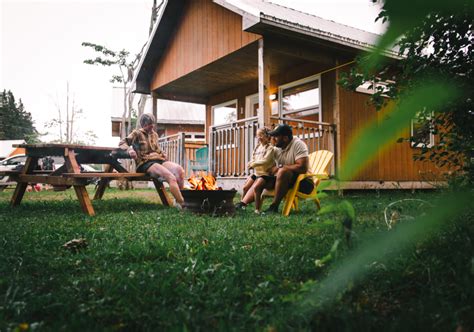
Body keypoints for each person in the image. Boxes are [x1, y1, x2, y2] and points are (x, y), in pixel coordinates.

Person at [237, 124, 313, 214]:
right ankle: (242, 204)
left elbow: (302, 168)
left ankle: (274, 207)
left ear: (285, 138)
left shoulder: (298, 144)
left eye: (276, 136)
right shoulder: (276, 148)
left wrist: (280, 167)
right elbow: (266, 162)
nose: (272, 138)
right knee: (262, 178)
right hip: (284, 181)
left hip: (303, 183)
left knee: (282, 171)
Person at [118, 113, 185, 208]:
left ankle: (178, 200)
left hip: (159, 160)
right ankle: (183, 205)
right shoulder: (137, 133)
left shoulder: (155, 135)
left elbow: (157, 149)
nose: (152, 127)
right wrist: (130, 150)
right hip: (145, 163)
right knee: (171, 177)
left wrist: (163, 153)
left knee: (179, 171)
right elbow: (122, 143)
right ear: (143, 125)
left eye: (152, 124)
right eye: (149, 124)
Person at [236, 127, 277, 213]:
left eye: (261, 135)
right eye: (257, 136)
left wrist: (254, 164)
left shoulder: (270, 148)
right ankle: (242, 205)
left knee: (256, 187)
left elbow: (266, 161)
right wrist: (250, 163)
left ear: (267, 136)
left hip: (266, 175)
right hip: (257, 173)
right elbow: (253, 159)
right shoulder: (257, 147)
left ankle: (257, 209)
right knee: (245, 187)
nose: (259, 137)